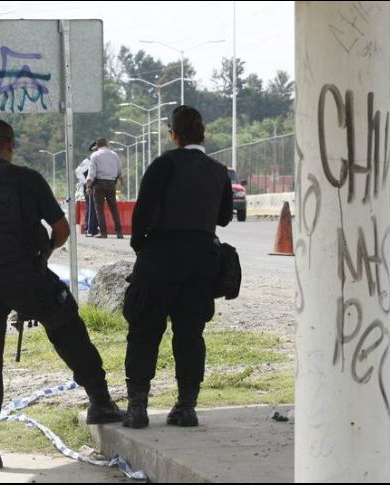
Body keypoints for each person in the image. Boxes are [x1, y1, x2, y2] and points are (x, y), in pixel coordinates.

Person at [0, 120, 123, 470]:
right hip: (27, 275)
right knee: (68, 329)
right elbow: (63, 229)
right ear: (10, 146)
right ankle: (101, 401)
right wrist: (44, 254)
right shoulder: (27, 179)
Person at [122, 106, 233, 429]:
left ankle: (137, 408)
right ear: (202, 133)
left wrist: (143, 247)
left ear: (173, 134)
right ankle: (186, 406)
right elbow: (224, 217)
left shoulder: (163, 165)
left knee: (144, 331)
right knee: (190, 333)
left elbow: (141, 216)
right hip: (201, 260)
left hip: (159, 256)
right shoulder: (218, 170)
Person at [86, 138, 124, 239]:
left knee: (99, 209)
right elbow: (119, 170)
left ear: (97, 146)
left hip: (99, 184)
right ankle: (119, 232)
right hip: (111, 183)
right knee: (114, 208)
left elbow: (91, 173)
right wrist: (121, 179)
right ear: (106, 145)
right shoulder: (114, 154)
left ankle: (103, 233)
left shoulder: (94, 155)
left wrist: (89, 186)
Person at [75, 141, 100, 237]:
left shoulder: (98, 160)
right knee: (91, 207)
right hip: (89, 186)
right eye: (96, 150)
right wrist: (85, 181)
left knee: (96, 208)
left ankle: (94, 228)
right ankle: (89, 229)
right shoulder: (88, 161)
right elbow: (78, 171)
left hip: (97, 185)